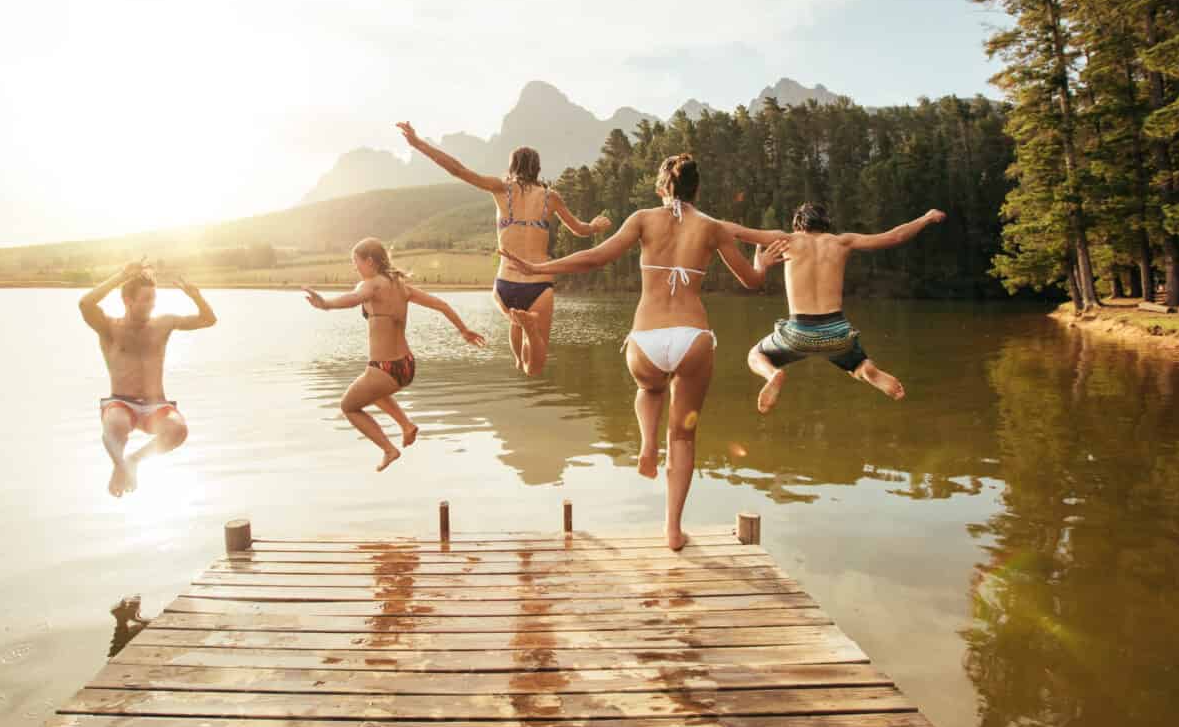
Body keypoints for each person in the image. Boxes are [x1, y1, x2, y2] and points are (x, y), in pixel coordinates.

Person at [501, 154, 775, 550]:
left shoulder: (644, 219)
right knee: (682, 437)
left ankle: (647, 442)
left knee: (649, 390)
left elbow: (594, 258)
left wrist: (537, 268)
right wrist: (760, 260)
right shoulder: (712, 228)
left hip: (646, 338)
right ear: (696, 189)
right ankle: (673, 530)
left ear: (662, 187)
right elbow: (751, 281)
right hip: (692, 337)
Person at [398, 120, 611, 376]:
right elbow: (580, 229)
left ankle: (523, 325)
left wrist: (418, 143)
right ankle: (530, 329)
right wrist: (596, 226)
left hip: (505, 284)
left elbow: (457, 169)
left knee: (519, 362)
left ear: (512, 167)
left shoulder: (501, 189)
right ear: (537, 169)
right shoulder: (550, 198)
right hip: (539, 284)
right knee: (534, 368)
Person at [736, 201, 945, 414]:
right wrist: (926, 218)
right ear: (826, 222)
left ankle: (772, 375)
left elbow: (739, 232)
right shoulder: (843, 242)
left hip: (798, 332)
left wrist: (712, 226)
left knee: (755, 355)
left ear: (797, 224)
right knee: (855, 365)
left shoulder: (786, 240)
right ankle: (867, 369)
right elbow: (894, 236)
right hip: (836, 333)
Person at [303, 237, 486, 471]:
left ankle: (389, 449)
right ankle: (406, 425)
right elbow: (441, 304)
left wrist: (326, 304)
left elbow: (354, 298)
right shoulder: (402, 287)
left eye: (355, 261)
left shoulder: (371, 284)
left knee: (348, 406)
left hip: (384, 368)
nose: (354, 267)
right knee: (371, 391)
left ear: (369, 261)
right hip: (406, 366)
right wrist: (463, 330)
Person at [79, 261, 218, 497]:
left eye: (153, 300)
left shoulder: (163, 324)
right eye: (145, 300)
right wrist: (122, 275)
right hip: (122, 403)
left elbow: (208, 320)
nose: (151, 305)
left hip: (156, 405)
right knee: (116, 424)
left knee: (179, 430)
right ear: (128, 301)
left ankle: (132, 461)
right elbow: (85, 303)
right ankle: (120, 466)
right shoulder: (109, 328)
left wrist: (196, 296)